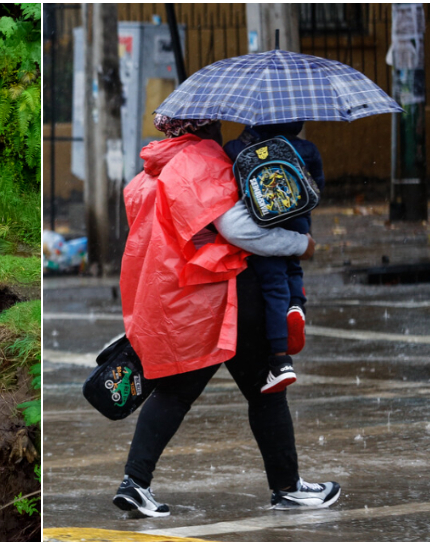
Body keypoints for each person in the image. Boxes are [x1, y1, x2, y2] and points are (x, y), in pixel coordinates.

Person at [112, 114, 341, 517]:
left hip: (176, 296)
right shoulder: (201, 160)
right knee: (266, 390)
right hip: (218, 296)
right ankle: (287, 488)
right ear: (205, 125)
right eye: (216, 121)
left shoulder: (153, 168)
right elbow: (237, 230)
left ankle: (135, 483)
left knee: (175, 392)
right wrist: (298, 243)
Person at [223, 122, 325, 393]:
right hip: (298, 223)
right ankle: (297, 306)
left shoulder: (240, 148)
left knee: (272, 287)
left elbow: (232, 172)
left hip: (264, 225)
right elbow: (317, 187)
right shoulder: (308, 149)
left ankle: (280, 361)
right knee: (294, 270)